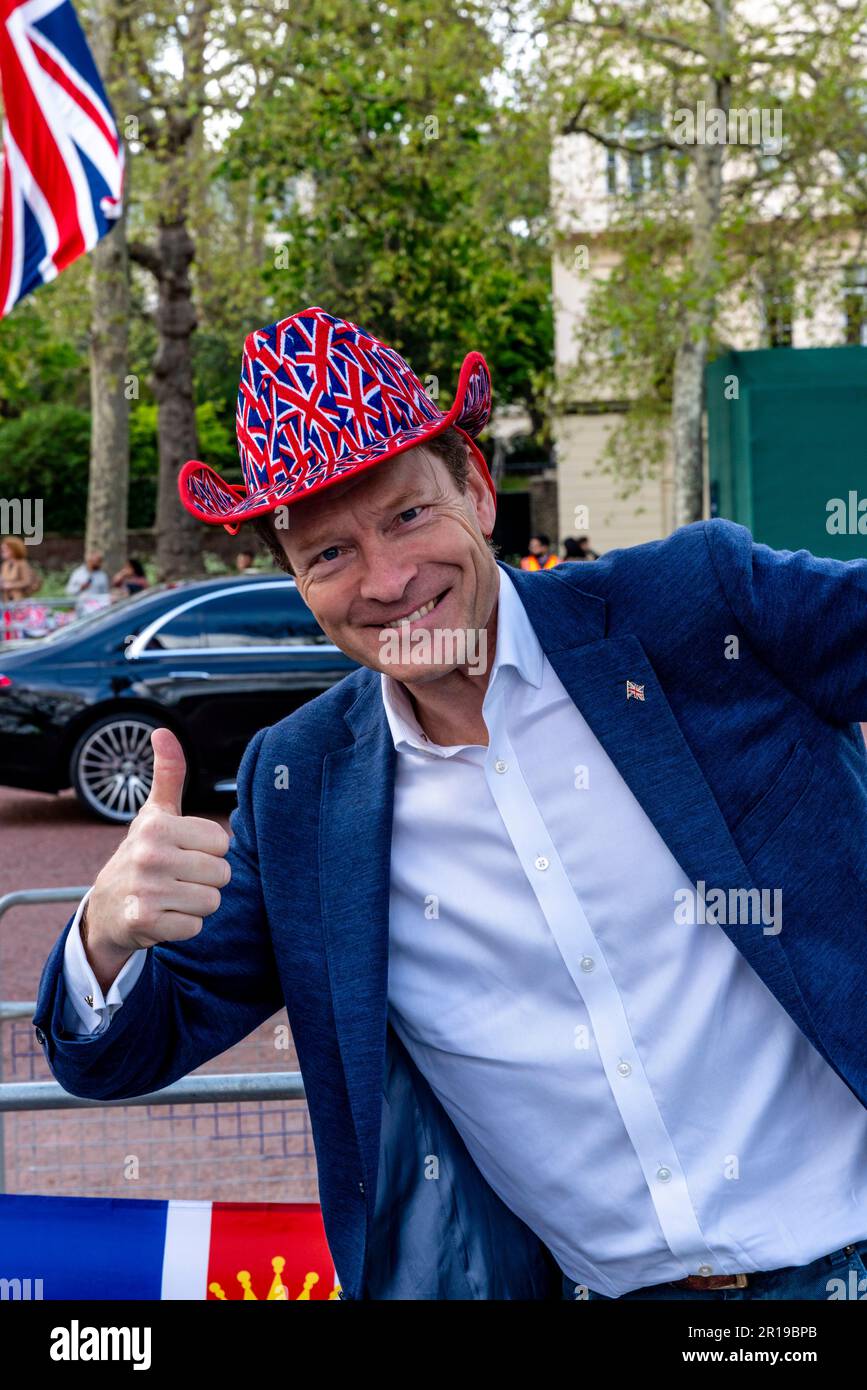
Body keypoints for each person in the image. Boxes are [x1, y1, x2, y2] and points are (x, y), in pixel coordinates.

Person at [35, 306, 867, 1303]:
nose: (387, 580)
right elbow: (123, 1050)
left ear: (476, 487)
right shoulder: (299, 787)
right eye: (329, 555)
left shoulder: (691, 607)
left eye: (407, 515)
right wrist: (105, 936)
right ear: (296, 580)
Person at [0, 536, 41, 600]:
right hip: (6, 598)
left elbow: (27, 581)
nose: (3, 552)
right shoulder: (5, 564)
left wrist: (10, 585)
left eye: (6, 550)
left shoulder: (22, 564)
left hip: (19, 598)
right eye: (2, 550)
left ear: (14, 550)